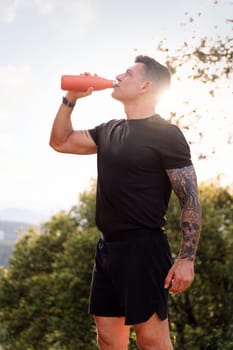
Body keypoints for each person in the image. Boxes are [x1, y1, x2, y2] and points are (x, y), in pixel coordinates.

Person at [49, 55, 202, 350]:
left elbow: (190, 198)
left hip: (144, 248)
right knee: (108, 341)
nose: (119, 76)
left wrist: (186, 259)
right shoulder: (109, 130)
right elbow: (60, 141)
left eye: (128, 73)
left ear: (146, 86)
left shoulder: (166, 135)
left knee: (152, 342)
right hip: (107, 249)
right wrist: (70, 100)